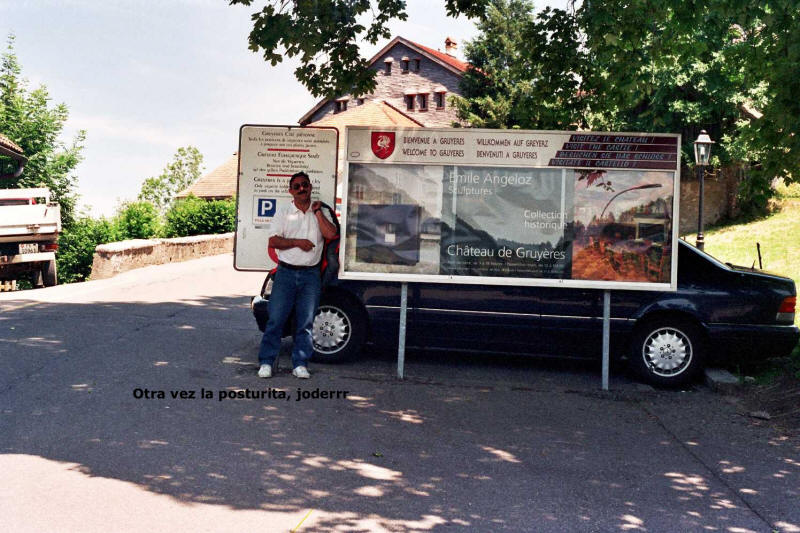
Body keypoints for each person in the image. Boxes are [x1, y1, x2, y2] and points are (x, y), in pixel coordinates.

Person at [257, 171, 338, 379]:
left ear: (310, 187)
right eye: (297, 186)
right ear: (291, 191)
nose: (302, 189)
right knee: (276, 319)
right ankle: (266, 362)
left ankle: (300, 363)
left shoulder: (321, 211)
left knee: (306, 322)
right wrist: (297, 242)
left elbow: (331, 234)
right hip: (286, 273)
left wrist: (318, 213)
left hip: (310, 276)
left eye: (305, 185)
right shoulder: (284, 211)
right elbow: (273, 241)